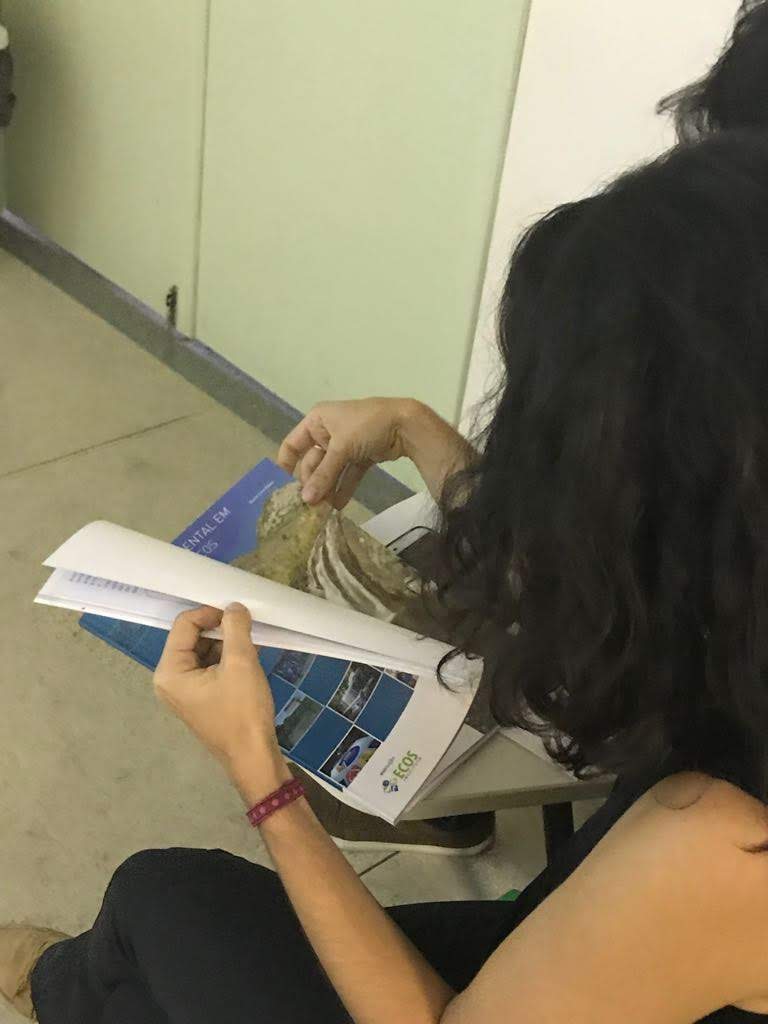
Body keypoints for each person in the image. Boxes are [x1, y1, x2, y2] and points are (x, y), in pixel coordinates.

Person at [7, 9, 768, 1023]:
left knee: (160, 900)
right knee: (163, 950)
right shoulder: (733, 618)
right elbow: (584, 558)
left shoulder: (721, 845)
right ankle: (80, 987)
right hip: (624, 942)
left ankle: (65, 987)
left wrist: (262, 773)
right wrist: (415, 430)